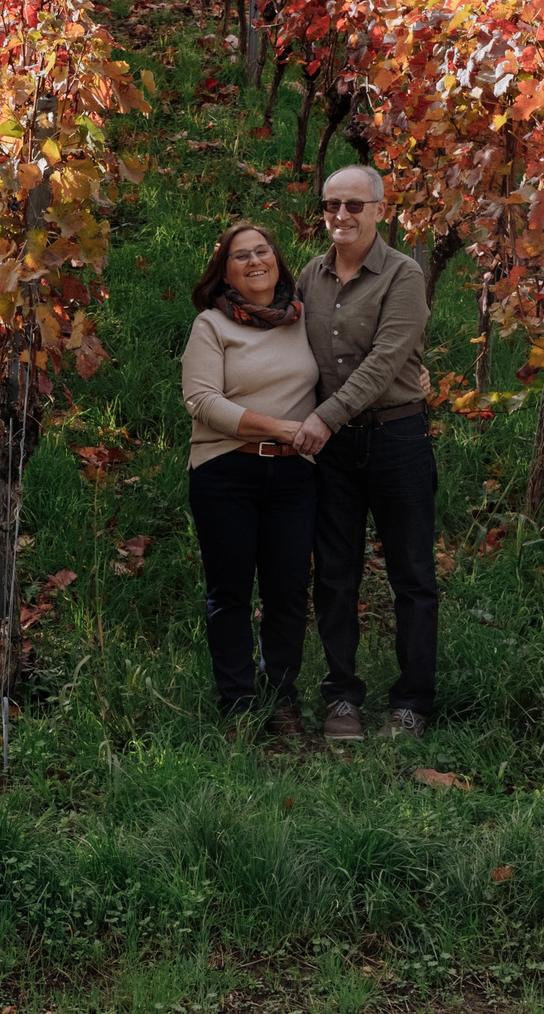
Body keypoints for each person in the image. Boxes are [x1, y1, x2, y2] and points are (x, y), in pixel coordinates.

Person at [297, 164, 436, 741]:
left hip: (396, 439)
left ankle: (411, 702)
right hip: (334, 449)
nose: (342, 216)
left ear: (381, 209)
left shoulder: (404, 276)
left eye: (355, 205)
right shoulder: (310, 275)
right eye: (332, 205)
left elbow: (383, 362)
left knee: (411, 574)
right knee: (334, 575)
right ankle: (342, 698)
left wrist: (321, 419)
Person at [180, 222, 320, 738]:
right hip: (226, 471)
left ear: (278, 260)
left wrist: (409, 375)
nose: (255, 261)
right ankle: (238, 703)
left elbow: (350, 362)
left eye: (263, 250)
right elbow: (202, 402)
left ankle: (281, 697)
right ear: (226, 273)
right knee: (230, 591)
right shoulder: (211, 326)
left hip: (294, 476)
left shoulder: (305, 320)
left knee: (287, 589)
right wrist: (279, 427)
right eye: (241, 256)